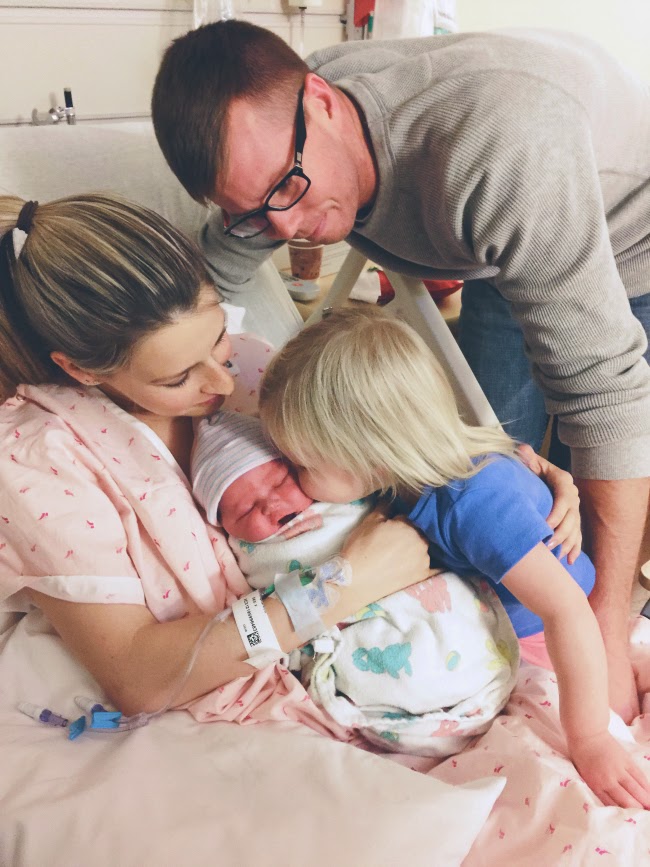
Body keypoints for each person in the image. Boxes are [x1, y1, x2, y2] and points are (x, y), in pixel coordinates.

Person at [151, 20, 650, 722]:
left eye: (288, 189)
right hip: (496, 240)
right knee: (502, 460)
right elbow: (200, 283)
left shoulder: (502, 149)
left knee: (585, 504)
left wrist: (603, 632)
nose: (285, 231)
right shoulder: (284, 148)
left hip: (629, 239)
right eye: (252, 214)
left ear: (324, 101)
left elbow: (606, 394)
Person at [0, 192, 435, 729]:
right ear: (81, 371)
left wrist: (493, 480)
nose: (223, 383)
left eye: (219, 336)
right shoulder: (40, 460)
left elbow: (374, 456)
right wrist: (341, 586)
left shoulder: (251, 365)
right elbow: (137, 676)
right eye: (177, 378)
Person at [256, 306, 650, 809]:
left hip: (549, 637)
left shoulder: (471, 501)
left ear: (369, 454)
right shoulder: (419, 472)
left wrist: (591, 739)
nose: (290, 478)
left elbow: (566, 610)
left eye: (300, 463)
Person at [190, 408, 520, 757]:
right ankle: (413, 712)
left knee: (457, 628)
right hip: (348, 627)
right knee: (388, 674)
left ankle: (471, 680)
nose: (272, 503)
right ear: (224, 526)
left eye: (280, 481)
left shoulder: (339, 490)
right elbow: (265, 610)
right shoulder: (245, 554)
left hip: (416, 588)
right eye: (246, 509)